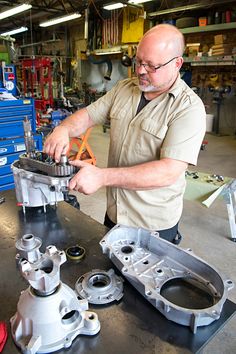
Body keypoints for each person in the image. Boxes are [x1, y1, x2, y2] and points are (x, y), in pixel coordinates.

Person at [44, 24, 206, 244]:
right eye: (138, 61)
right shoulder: (124, 89)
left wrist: (102, 177)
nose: (140, 70)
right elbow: (89, 115)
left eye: (151, 66)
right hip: (115, 214)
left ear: (177, 64)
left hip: (152, 227)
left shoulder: (188, 108)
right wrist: (63, 129)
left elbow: (168, 172)